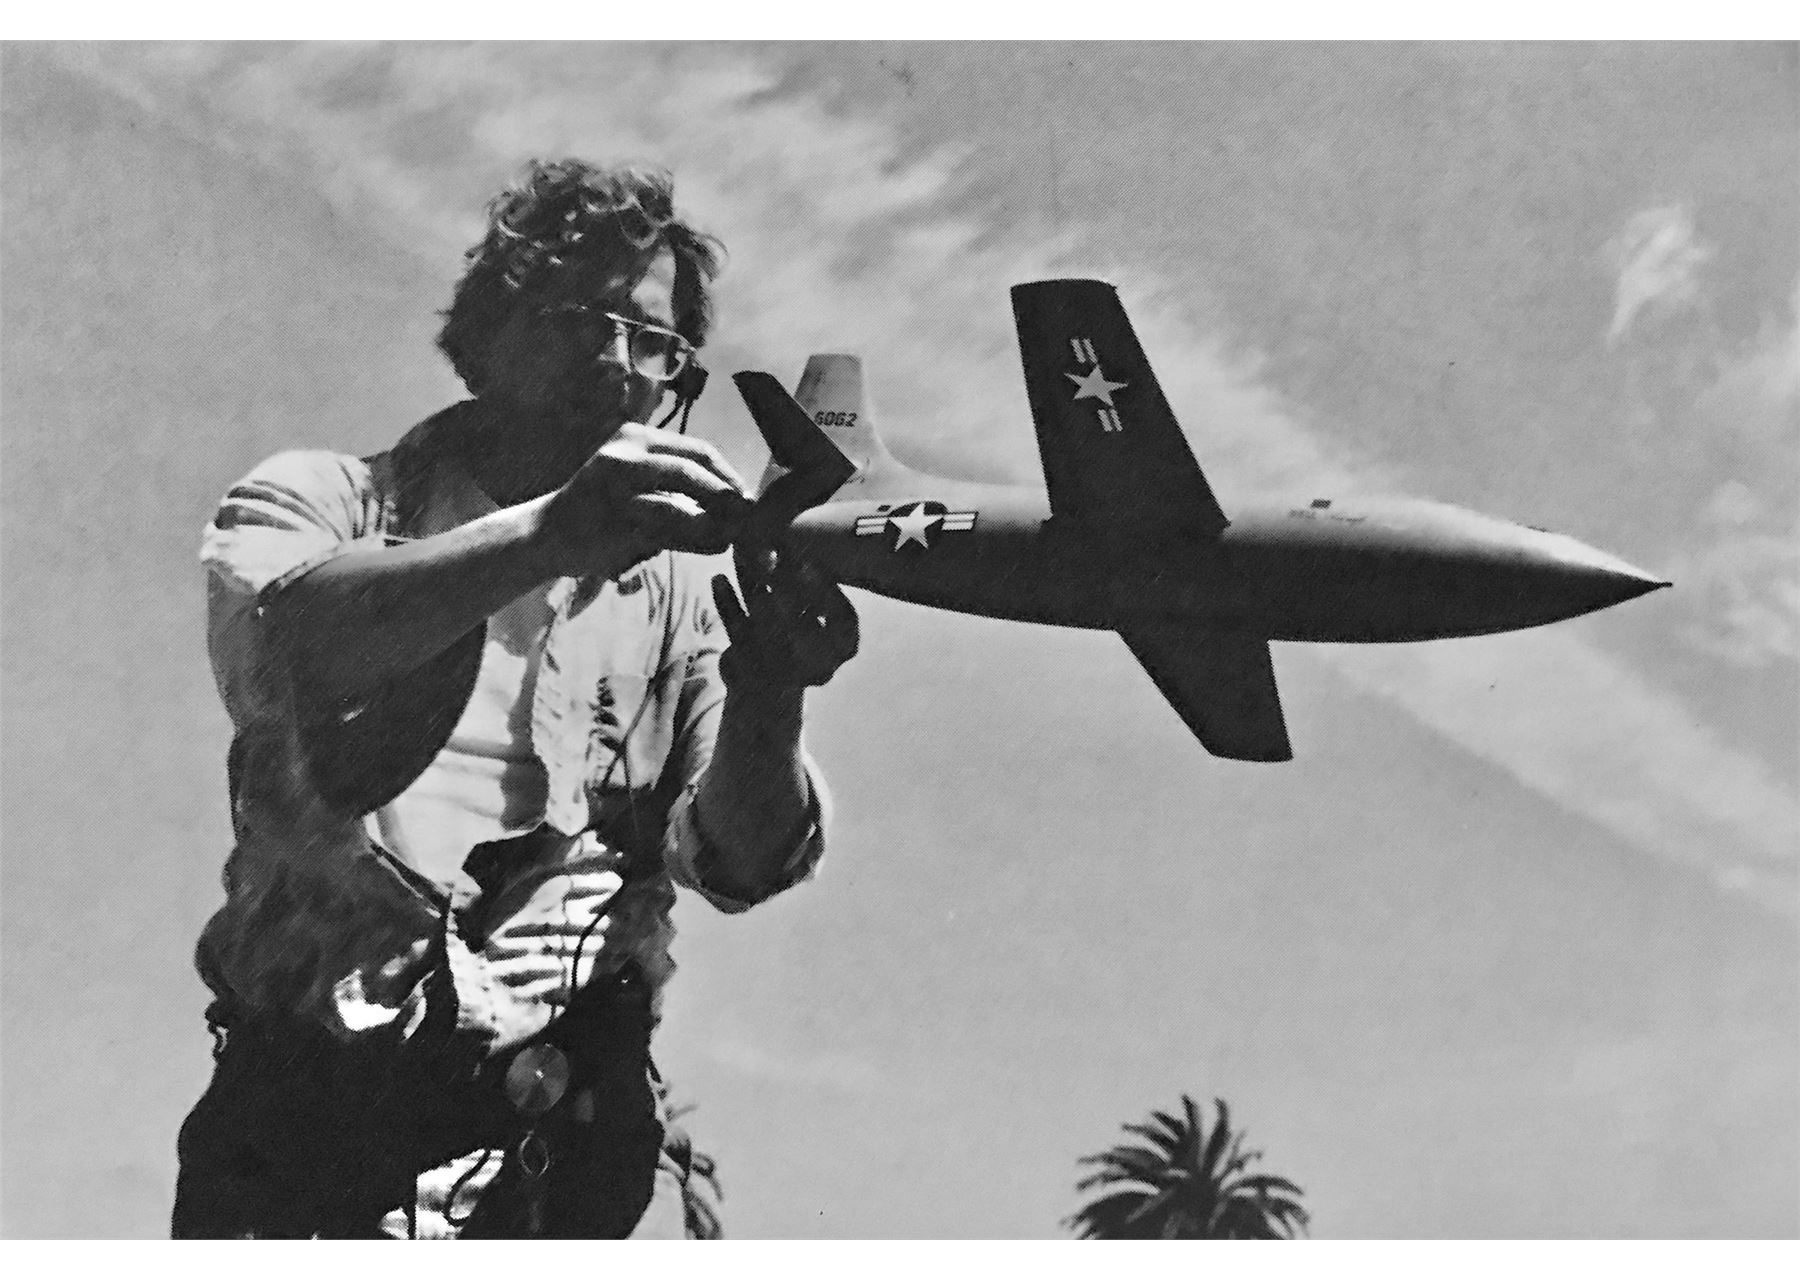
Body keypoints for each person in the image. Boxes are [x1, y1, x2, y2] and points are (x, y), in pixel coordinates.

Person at [172, 159, 858, 1238]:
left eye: (655, 342)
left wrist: (769, 692)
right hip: (307, 1147)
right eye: (584, 320)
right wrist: (547, 535)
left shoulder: (684, 601)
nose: (618, 364)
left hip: (566, 1163)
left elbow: (740, 859)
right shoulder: (328, 499)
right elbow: (285, 650)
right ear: (488, 332)